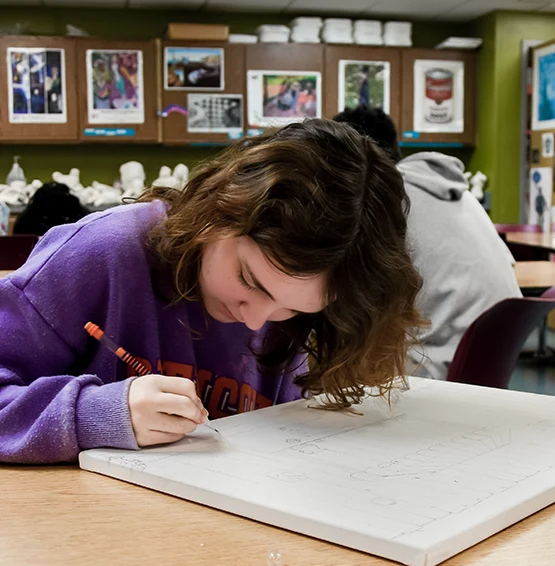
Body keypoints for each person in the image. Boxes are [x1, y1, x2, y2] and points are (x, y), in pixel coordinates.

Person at [0, 119, 424, 464]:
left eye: (292, 308)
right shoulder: (103, 252)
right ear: (221, 207)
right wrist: (92, 414)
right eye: (248, 280)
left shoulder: (297, 314)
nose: (256, 320)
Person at [334, 105, 522, 381]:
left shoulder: (381, 200)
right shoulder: (458, 190)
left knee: (329, 362)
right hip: (494, 355)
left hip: (435, 364)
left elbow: (358, 299)